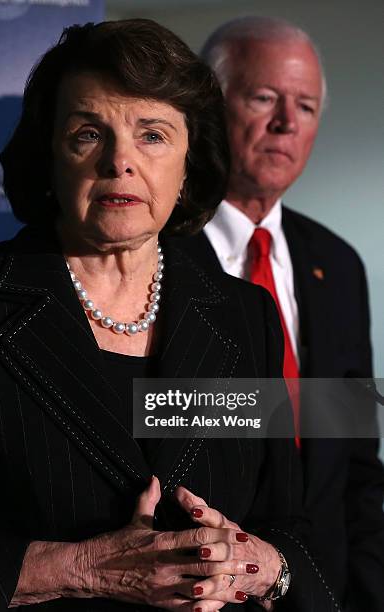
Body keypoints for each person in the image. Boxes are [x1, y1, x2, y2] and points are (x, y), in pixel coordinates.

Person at [0, 20, 339, 612]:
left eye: (153, 135)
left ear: (189, 161)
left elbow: (289, 526)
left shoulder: (246, 317)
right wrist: (80, 569)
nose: (121, 161)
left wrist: (263, 566)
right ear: (49, 155)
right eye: (89, 133)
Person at [177, 16, 384, 611]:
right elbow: (153, 418)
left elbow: (355, 460)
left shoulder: (338, 265)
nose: (285, 124)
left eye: (307, 107)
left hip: (322, 591)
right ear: (207, 106)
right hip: (198, 589)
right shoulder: (149, 251)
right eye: (264, 98)